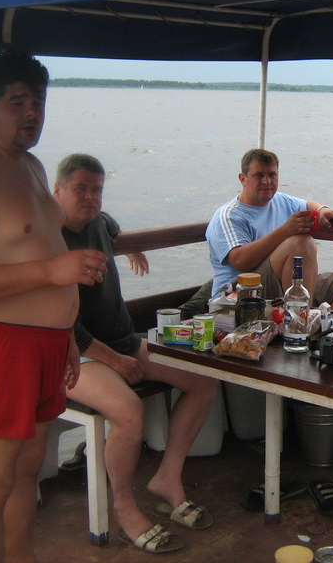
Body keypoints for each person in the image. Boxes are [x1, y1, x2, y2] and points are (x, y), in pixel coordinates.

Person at [0, 51, 109, 563]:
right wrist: (52, 273)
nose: (32, 112)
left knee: (28, 472)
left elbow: (35, 244)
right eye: (17, 102)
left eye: (39, 102)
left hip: (45, 347)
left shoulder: (30, 166)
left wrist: (65, 335)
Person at [54, 153, 220, 553]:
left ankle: (167, 479)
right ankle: (125, 508)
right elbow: (65, 326)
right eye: (80, 189)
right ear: (56, 190)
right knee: (129, 412)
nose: (90, 197)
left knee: (203, 380)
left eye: (97, 189)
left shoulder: (99, 222)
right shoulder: (49, 241)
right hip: (73, 356)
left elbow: (111, 226)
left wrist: (129, 247)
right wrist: (115, 361)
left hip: (122, 340)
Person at [206, 148, 333, 313]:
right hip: (242, 294)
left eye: (272, 175)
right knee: (301, 242)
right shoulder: (229, 215)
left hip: (288, 284)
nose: (267, 181)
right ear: (243, 178)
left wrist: (323, 210)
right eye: (259, 175)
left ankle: (328, 327)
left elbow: (308, 205)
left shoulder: (281, 200)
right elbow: (240, 261)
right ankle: (303, 320)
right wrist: (285, 230)